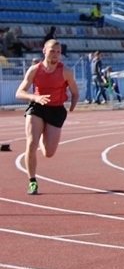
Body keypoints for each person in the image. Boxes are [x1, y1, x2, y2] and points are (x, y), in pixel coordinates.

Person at [15, 39, 79, 195]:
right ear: (44, 51)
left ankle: (44, 135)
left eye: (58, 52)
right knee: (31, 144)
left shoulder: (66, 72)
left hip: (56, 110)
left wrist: (72, 106)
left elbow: (75, 92)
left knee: (49, 153)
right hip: (37, 108)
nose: (55, 54)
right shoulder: (34, 70)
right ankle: (32, 182)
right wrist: (35, 98)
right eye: (52, 51)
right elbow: (19, 92)